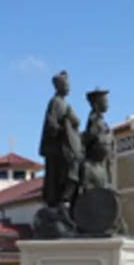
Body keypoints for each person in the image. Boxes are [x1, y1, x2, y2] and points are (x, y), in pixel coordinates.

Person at [39, 71, 83, 208]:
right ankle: (57, 201)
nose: (68, 88)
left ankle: (66, 199)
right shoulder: (55, 102)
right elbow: (50, 123)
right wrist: (62, 130)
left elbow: (75, 122)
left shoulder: (66, 105)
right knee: (55, 177)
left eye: (68, 85)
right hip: (56, 148)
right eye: (65, 85)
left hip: (65, 147)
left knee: (71, 171)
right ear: (59, 87)